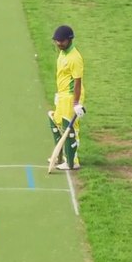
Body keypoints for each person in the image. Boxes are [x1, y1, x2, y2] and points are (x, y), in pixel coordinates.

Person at [48, 25, 85, 170]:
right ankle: (60, 156)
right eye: (57, 41)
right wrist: (59, 94)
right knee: (56, 121)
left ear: (69, 40)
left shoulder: (74, 58)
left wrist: (76, 103)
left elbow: (77, 82)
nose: (59, 43)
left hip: (71, 96)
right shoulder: (63, 53)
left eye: (61, 41)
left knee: (70, 128)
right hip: (63, 95)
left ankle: (72, 161)